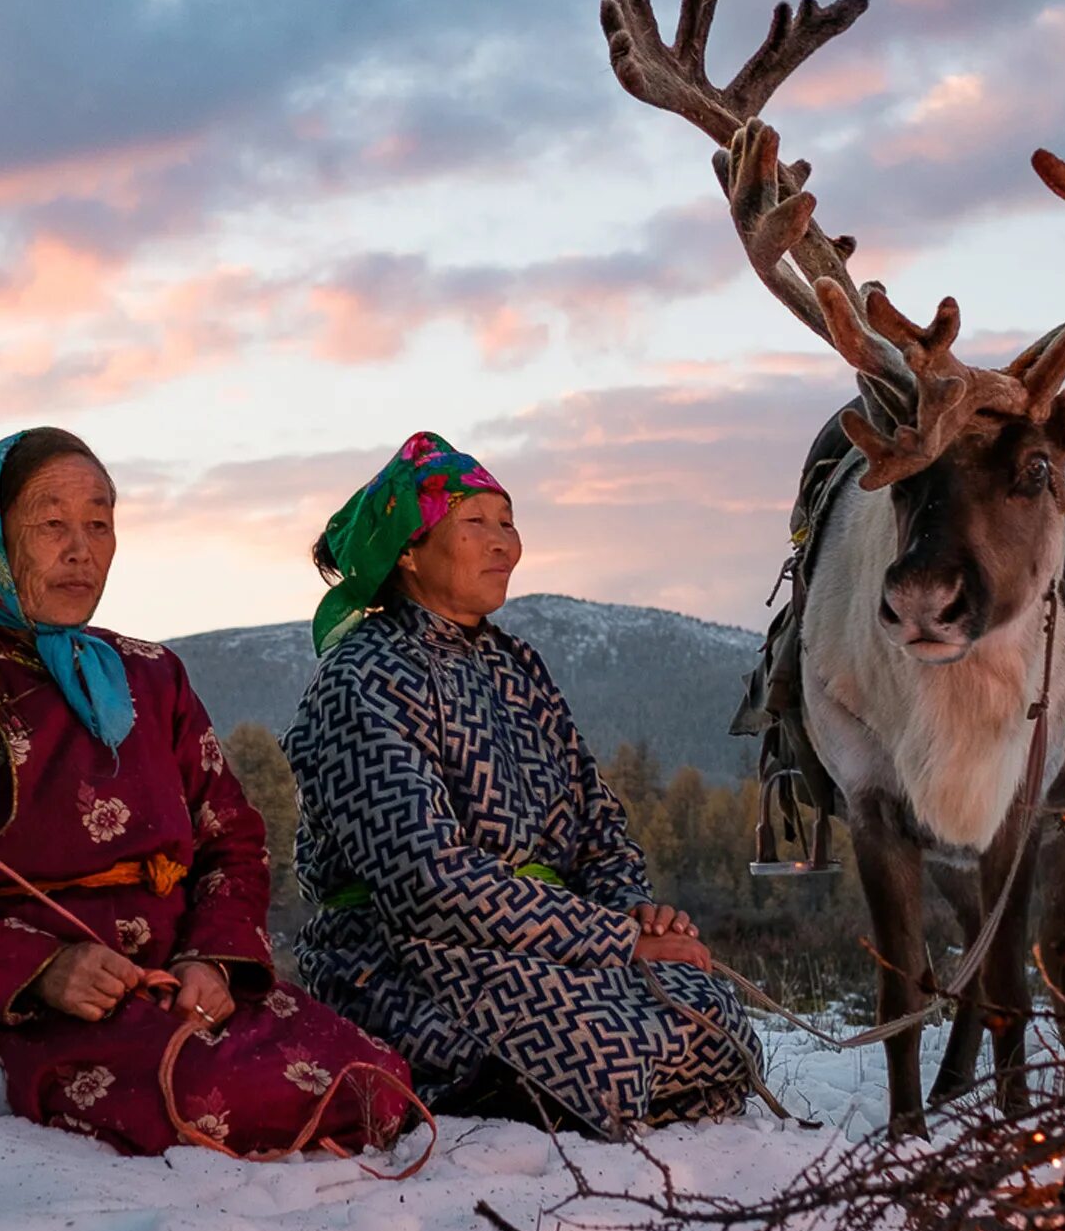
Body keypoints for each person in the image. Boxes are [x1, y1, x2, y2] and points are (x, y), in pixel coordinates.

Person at [0, 428, 413, 1156]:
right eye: (51, 524)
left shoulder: (153, 676)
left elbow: (230, 837)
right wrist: (41, 970)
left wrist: (212, 960)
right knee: (207, 1095)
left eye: (99, 523)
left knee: (375, 1076)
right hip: (20, 1002)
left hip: (178, 979)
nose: (81, 549)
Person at [284, 432, 760, 1137]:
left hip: (544, 942)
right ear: (409, 550)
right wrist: (614, 939)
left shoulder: (517, 667)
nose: (503, 542)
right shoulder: (363, 678)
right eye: (475, 523)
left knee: (713, 1017)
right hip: (403, 952)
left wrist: (635, 913)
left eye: (507, 522)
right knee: (609, 1050)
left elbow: (597, 822)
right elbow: (428, 883)